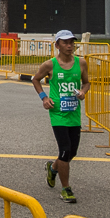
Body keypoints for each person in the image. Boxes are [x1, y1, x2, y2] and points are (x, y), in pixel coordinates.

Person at [31, 29, 89, 204]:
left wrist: (83, 92)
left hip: (74, 113)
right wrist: (44, 98)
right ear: (57, 45)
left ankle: (53, 167)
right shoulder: (50, 65)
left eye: (72, 42)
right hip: (57, 113)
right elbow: (35, 79)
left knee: (72, 152)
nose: (69, 46)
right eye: (65, 42)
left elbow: (86, 83)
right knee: (64, 150)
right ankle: (66, 189)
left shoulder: (81, 63)